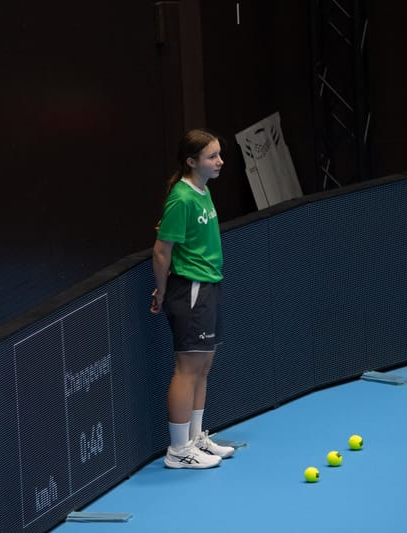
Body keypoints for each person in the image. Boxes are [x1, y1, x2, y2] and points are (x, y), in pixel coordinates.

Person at [150, 128, 235, 469]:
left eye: (219, 154)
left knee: (204, 366)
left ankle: (196, 437)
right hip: (191, 288)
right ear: (191, 161)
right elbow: (161, 251)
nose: (220, 161)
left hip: (210, 284)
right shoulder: (182, 198)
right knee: (188, 369)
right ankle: (178, 450)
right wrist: (163, 289)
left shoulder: (203, 190)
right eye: (212, 156)